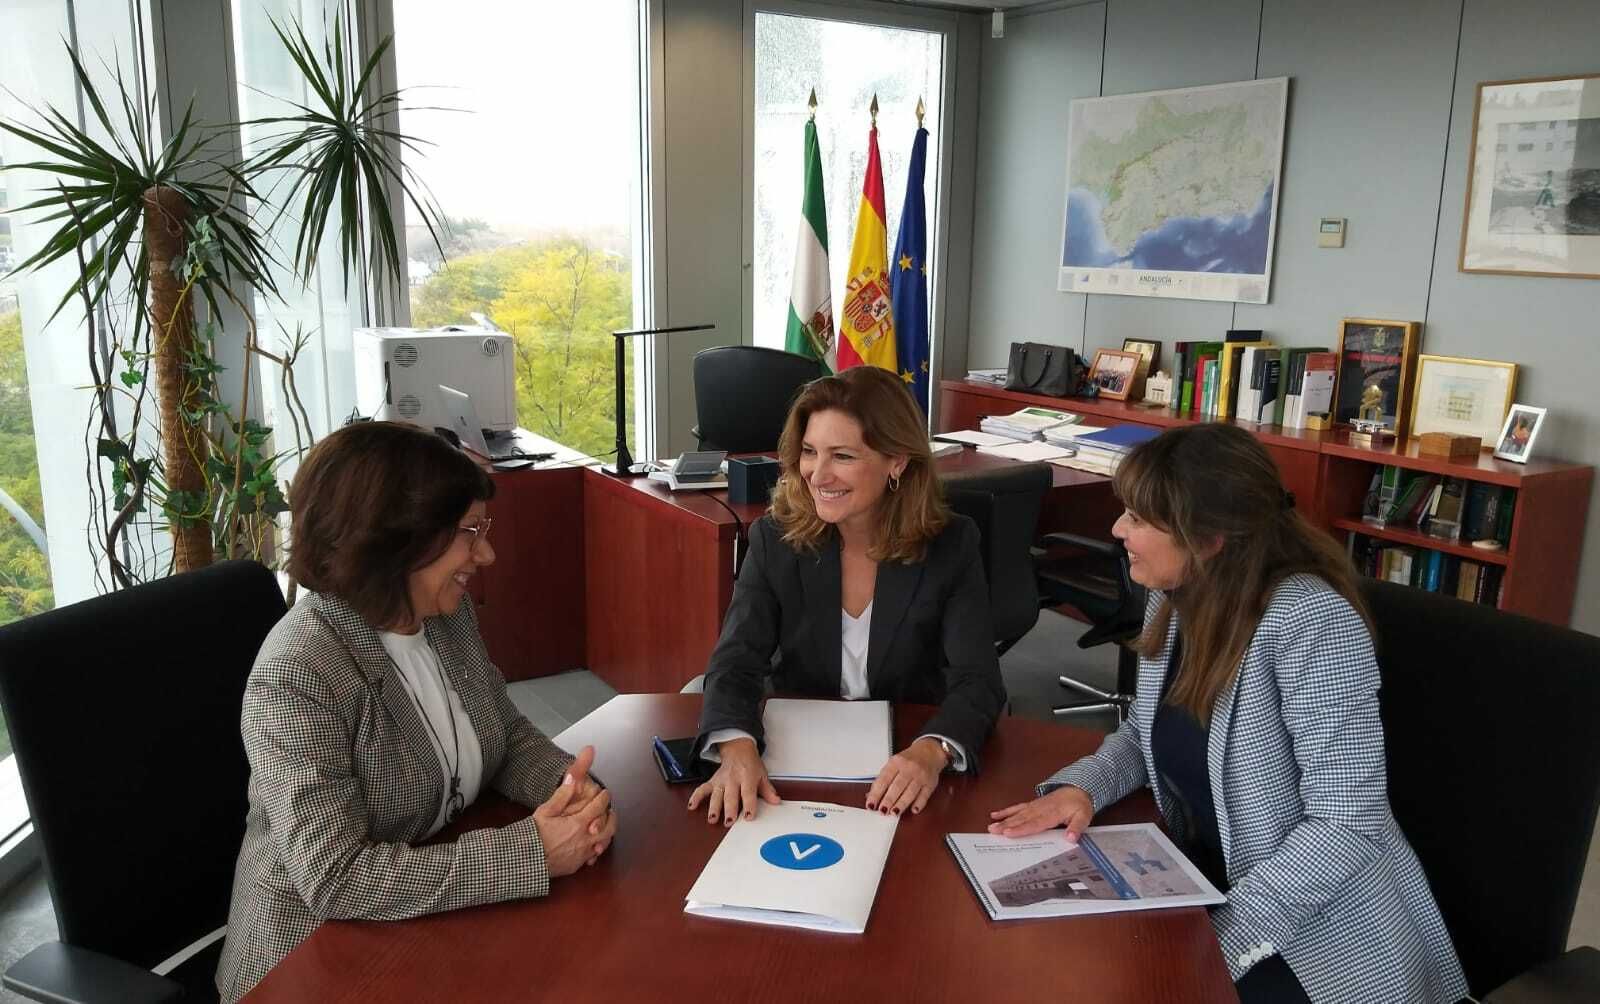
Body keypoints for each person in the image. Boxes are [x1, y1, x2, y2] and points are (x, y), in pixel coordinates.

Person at [987, 424, 1467, 1004]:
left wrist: (1221, 935)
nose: (1118, 530)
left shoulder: (1311, 623)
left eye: (1139, 518)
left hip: (1314, 935)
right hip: (1199, 881)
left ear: (1210, 538)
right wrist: (1084, 787)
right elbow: (1145, 730)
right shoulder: (1176, 592)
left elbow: (1346, 825)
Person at [216, 422, 617, 1002]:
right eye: (468, 533)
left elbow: (499, 731)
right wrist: (531, 852)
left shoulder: (444, 614)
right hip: (311, 962)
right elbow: (337, 879)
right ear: (396, 541)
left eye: (486, 527)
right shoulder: (299, 671)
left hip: (426, 926)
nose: (487, 553)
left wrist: (573, 793)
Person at [688, 365, 1006, 826]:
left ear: (896, 460)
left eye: (843, 456)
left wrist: (932, 750)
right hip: (796, 762)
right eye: (810, 452)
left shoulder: (951, 544)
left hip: (907, 759)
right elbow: (735, 661)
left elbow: (978, 681)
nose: (818, 474)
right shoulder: (774, 538)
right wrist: (737, 747)